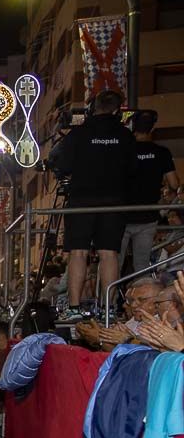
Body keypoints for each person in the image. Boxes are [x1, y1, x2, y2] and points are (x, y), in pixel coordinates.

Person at [45, 90, 138, 321]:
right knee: (109, 254)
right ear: (117, 110)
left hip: (81, 201)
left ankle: (75, 308)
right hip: (114, 203)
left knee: (78, 253)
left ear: (93, 107)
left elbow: (63, 166)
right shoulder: (125, 136)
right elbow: (133, 170)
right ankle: (108, 308)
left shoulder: (79, 133)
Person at [125, 111, 180, 273]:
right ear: (152, 128)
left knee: (115, 262)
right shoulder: (162, 152)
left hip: (121, 214)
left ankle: (110, 298)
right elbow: (174, 183)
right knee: (141, 264)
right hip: (148, 215)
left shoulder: (124, 151)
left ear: (133, 127)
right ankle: (141, 294)